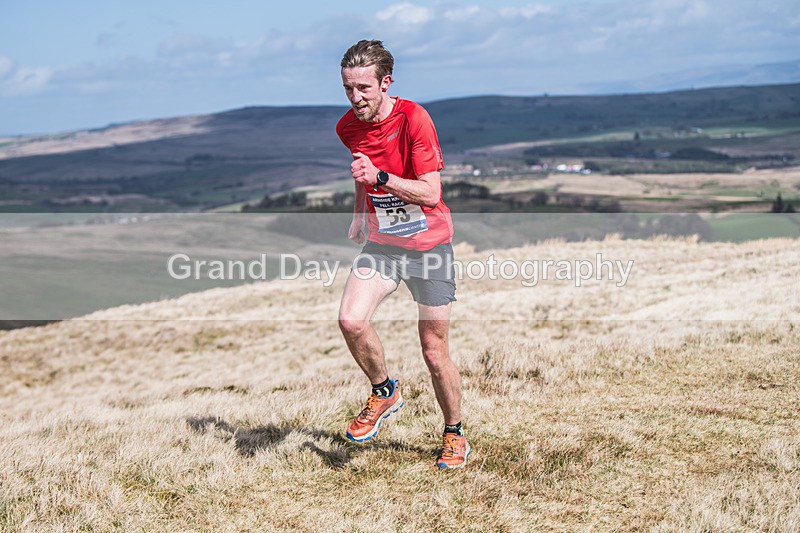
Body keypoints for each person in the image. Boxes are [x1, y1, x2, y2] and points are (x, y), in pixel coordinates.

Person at [335, 39, 470, 469]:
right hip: (384, 246)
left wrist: (381, 176)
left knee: (434, 351)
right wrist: (360, 213)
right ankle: (384, 390)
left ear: (385, 82)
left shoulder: (414, 118)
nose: (356, 99)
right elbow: (362, 167)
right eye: (348, 89)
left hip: (430, 247)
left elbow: (431, 193)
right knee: (350, 319)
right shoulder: (347, 127)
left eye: (364, 89)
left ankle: (453, 432)